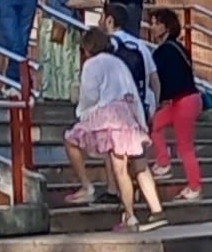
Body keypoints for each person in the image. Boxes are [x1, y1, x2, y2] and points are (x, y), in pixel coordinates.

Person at [63, 17, 166, 230]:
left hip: (108, 113)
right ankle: (156, 210)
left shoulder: (92, 64)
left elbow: (89, 95)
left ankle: (126, 214)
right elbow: (133, 93)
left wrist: (83, 112)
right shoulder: (118, 62)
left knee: (75, 142)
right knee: (139, 164)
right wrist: (141, 122)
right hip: (128, 112)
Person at [141, 5, 201, 189]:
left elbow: (162, 81)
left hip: (183, 101)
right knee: (155, 125)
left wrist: (157, 101)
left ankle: (194, 187)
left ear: (166, 27)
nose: (152, 27)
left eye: (156, 24)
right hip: (184, 100)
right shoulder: (179, 49)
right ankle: (163, 162)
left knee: (184, 146)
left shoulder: (163, 52)